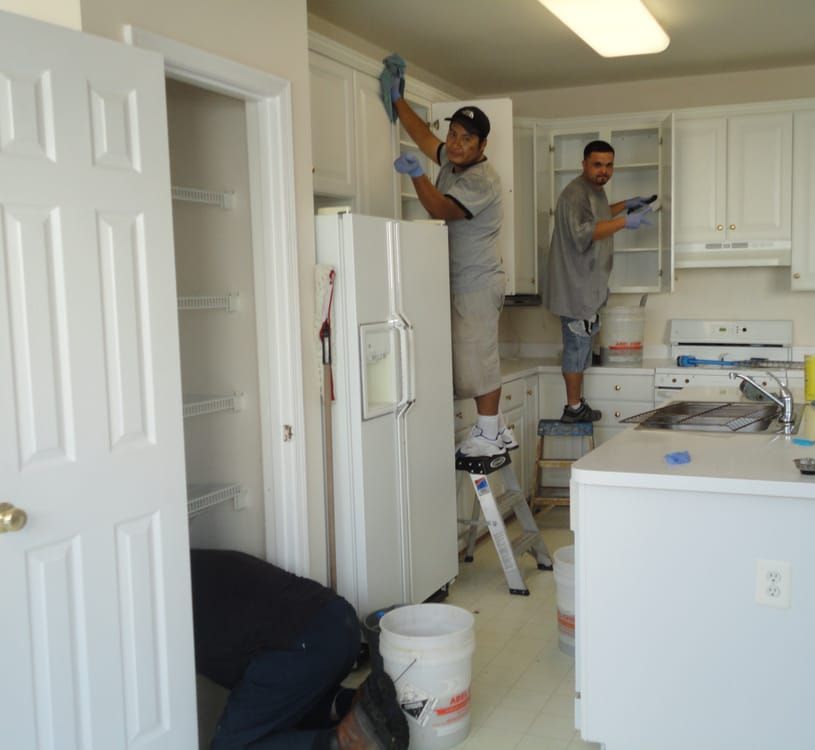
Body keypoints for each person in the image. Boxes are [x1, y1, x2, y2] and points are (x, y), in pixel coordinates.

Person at [384, 58, 511, 459]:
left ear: (482, 146)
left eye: (466, 139)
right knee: (471, 359)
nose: (455, 143)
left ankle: (489, 434)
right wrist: (398, 99)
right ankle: (497, 428)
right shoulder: (455, 163)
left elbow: (441, 209)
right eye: (453, 134)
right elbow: (424, 138)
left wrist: (417, 176)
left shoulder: (480, 179)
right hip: (458, 282)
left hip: (476, 283)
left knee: (478, 362)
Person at [190, 548, 408, 750]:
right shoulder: (180, 563)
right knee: (285, 709)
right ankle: (355, 707)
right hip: (339, 624)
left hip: (302, 646)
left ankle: (347, 742)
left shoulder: (165, 598)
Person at [542, 140, 654, 423]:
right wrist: (625, 222)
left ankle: (577, 403)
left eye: (609, 165)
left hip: (587, 286)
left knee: (582, 349)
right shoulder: (574, 195)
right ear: (584, 164)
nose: (604, 171)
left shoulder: (595, 191)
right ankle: (573, 408)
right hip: (574, 287)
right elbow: (584, 232)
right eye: (597, 164)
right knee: (576, 348)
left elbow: (599, 216)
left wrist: (624, 206)